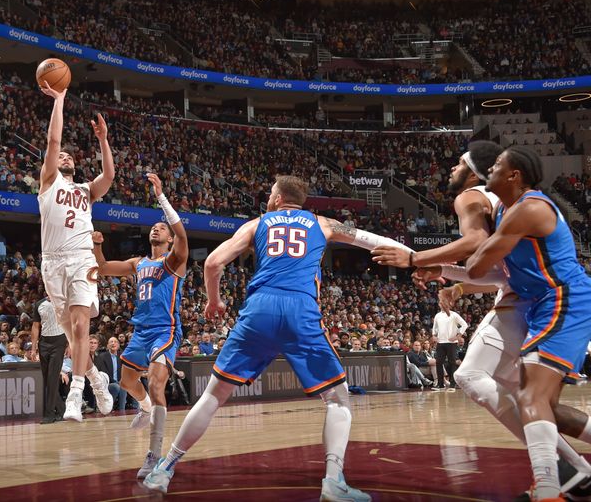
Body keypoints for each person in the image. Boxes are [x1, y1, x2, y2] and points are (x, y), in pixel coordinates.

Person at [144, 175, 415, 499]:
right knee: (338, 400)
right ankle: (333, 480)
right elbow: (372, 240)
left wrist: (214, 300)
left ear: (277, 199)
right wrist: (418, 261)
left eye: (270, 193)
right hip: (301, 311)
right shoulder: (324, 223)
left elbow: (214, 262)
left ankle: (165, 468)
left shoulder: (258, 224)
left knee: (214, 396)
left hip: (260, 310)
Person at [372, 141, 591, 490]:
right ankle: (572, 470)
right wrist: (449, 273)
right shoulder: (505, 208)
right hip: (535, 298)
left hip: (557, 298)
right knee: (535, 400)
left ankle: (556, 481)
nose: (453, 169)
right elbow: (493, 271)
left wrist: (416, 259)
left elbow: (476, 253)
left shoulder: (476, 198)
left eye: (461, 163)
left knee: (477, 377)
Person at [466, 147, 591, 500]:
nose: (489, 169)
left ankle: (549, 489)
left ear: (513, 175)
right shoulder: (507, 209)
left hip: (564, 298)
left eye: (496, 165)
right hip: (545, 303)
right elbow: (481, 269)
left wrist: (475, 248)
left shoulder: (529, 209)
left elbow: (478, 266)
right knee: (546, 408)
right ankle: (567, 481)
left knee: (530, 396)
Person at [93, 173, 188, 479]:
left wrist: (160, 197)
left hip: (166, 329)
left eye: (161, 227)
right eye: (153, 227)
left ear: (169, 238)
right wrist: (97, 245)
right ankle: (145, 407)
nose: (156, 229)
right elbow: (105, 267)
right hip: (141, 331)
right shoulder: (138, 263)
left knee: (158, 383)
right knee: (127, 383)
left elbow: (183, 236)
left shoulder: (174, 260)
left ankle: (155, 455)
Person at [37, 82, 115, 422]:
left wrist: (103, 140)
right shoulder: (49, 181)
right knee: (72, 334)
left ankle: (75, 393)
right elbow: (54, 141)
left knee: (82, 328)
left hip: (82, 258)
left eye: (69, 155)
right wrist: (59, 100)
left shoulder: (85, 190)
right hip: (52, 264)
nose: (64, 155)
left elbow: (109, 175)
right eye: (62, 155)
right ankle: (97, 380)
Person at [30, 297, 67, 423]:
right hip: (44, 342)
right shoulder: (39, 304)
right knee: (47, 380)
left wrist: (71, 344)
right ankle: (62, 409)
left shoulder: (63, 301)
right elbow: (35, 326)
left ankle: (49, 414)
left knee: (52, 378)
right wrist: (33, 348)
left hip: (60, 341)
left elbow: (71, 323)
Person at [431, 309, 468, 389]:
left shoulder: (454, 314)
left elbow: (464, 324)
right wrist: (434, 335)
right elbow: (435, 327)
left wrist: (458, 336)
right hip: (440, 342)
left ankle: (452, 384)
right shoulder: (437, 315)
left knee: (452, 362)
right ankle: (440, 384)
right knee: (439, 362)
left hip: (451, 342)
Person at [94, 337, 127, 413]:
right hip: (107, 382)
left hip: (119, 382)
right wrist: (115, 382)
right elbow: (104, 372)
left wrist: (122, 380)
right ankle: (108, 408)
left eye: (115, 342)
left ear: (118, 345)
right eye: (111, 342)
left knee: (124, 387)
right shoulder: (102, 356)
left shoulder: (122, 356)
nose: (113, 343)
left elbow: (125, 370)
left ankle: (122, 410)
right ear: (108, 345)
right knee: (116, 386)